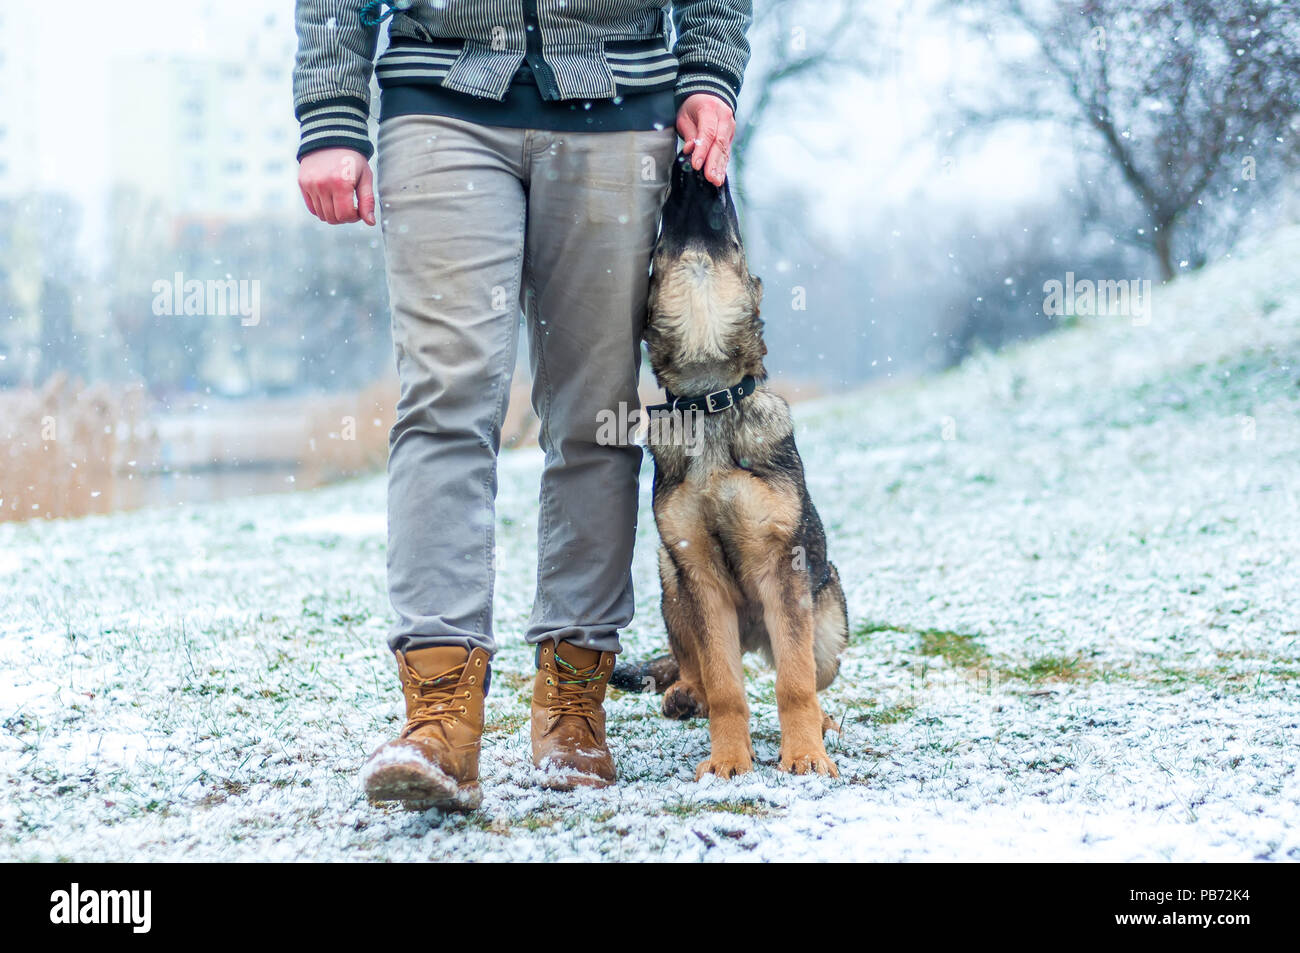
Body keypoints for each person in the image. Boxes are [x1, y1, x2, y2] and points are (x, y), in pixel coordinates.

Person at [293, 0, 752, 808]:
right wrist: (332, 111)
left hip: (617, 101)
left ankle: (573, 704)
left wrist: (710, 70)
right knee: (445, 397)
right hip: (440, 96)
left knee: (596, 413)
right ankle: (439, 716)